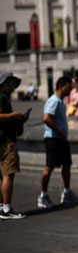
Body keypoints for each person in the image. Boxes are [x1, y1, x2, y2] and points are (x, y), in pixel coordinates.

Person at [37, 76, 78, 209]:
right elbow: (46, 118)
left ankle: (67, 192)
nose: (71, 89)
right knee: (49, 167)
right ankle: (43, 196)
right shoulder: (54, 101)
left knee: (66, 164)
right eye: (69, 86)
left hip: (60, 139)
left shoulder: (60, 101)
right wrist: (59, 131)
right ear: (62, 86)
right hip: (54, 139)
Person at [0, 72, 29, 220]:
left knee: (2, 176)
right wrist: (15, 115)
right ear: (4, 84)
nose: (13, 87)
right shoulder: (1, 97)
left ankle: (1, 207)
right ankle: (6, 209)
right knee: (8, 175)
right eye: (10, 84)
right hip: (5, 141)